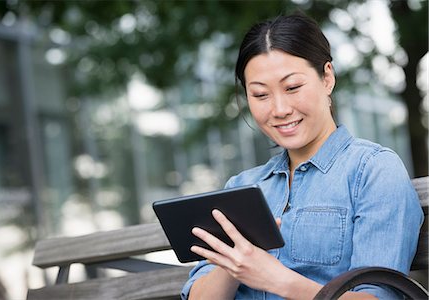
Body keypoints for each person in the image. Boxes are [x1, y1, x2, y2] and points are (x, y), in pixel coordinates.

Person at [180, 13, 423, 300]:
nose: (280, 109)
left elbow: (379, 298)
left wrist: (277, 279)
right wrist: (236, 263)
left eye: (293, 87)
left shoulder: (372, 170)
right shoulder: (241, 187)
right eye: (260, 95)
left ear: (327, 78)